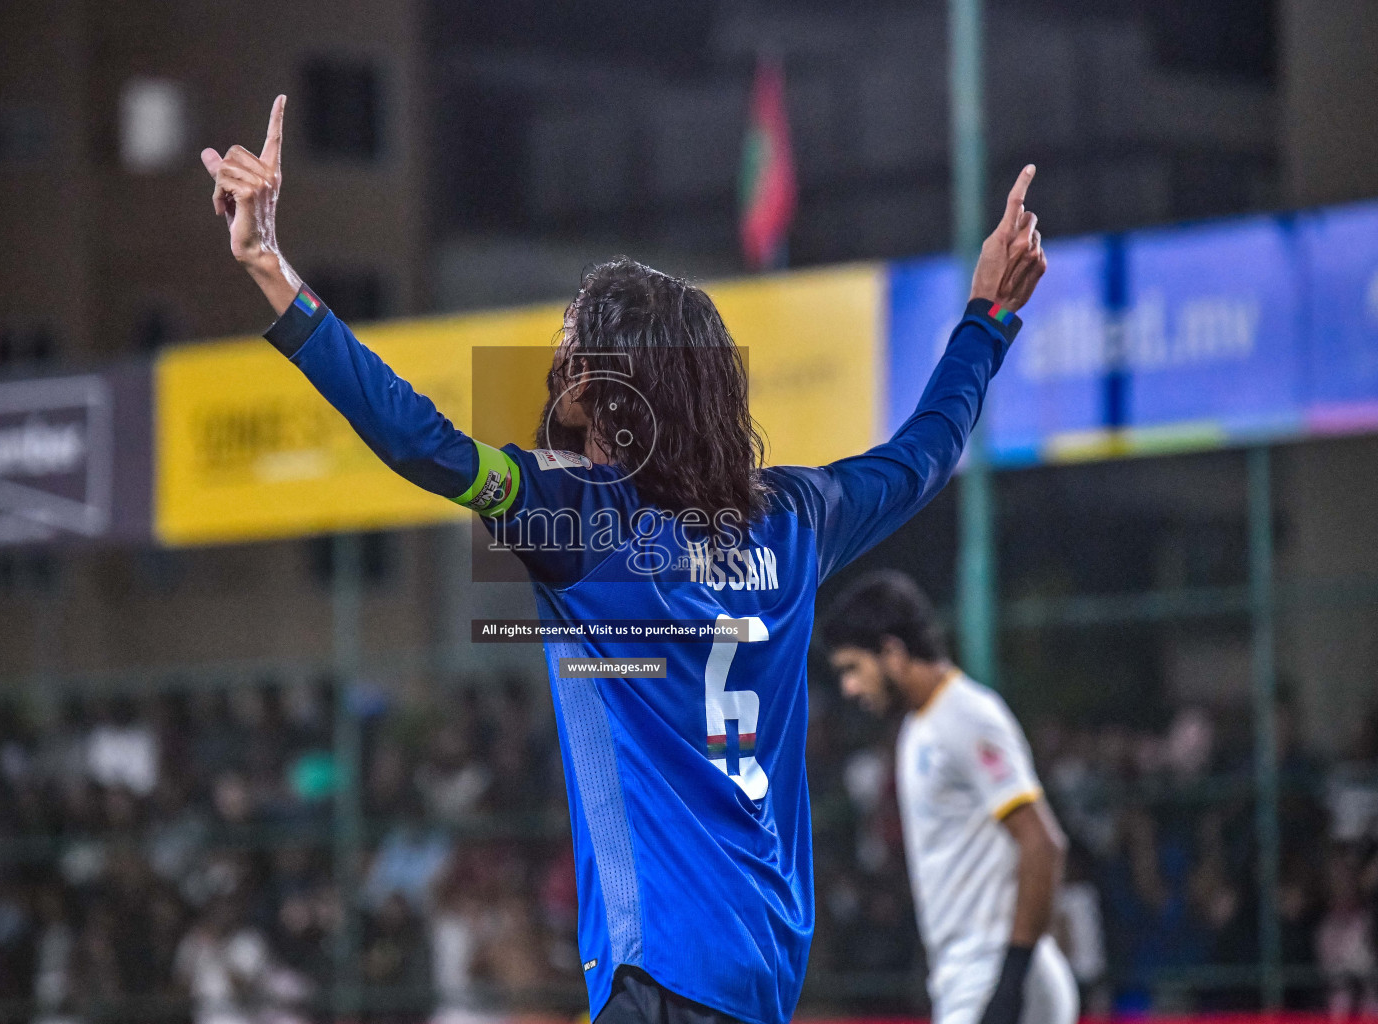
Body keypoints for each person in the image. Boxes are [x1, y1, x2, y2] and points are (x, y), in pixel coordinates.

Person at [200, 96, 1046, 1024]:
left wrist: (269, 268)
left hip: (657, 971)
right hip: (762, 970)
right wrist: (986, 319)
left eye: (573, 352)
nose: (558, 364)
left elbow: (419, 441)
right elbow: (925, 453)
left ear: (604, 388)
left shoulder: (579, 528)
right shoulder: (797, 519)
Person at [820, 571, 1076, 1024]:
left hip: (994, 971)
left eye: (852, 669)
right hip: (968, 974)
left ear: (892, 653)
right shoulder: (920, 727)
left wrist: (1010, 982)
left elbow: (1043, 844)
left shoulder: (966, 714)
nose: (849, 688)